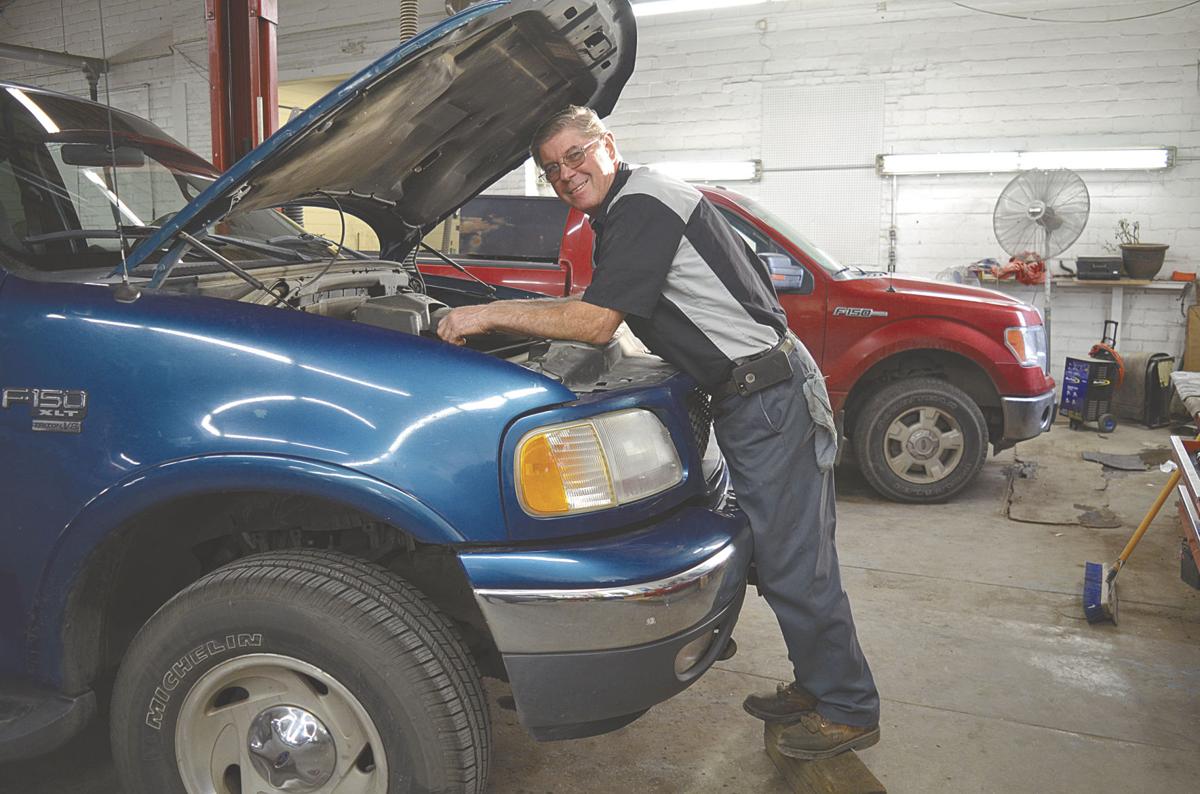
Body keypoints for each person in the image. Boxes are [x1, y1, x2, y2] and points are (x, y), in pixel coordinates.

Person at [437, 105, 880, 759]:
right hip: (753, 394)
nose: (565, 173)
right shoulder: (632, 206)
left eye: (575, 155)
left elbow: (594, 323)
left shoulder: (641, 204)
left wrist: (488, 316)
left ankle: (847, 706)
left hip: (770, 400)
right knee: (784, 558)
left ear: (606, 144)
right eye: (551, 167)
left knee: (795, 564)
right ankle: (819, 685)